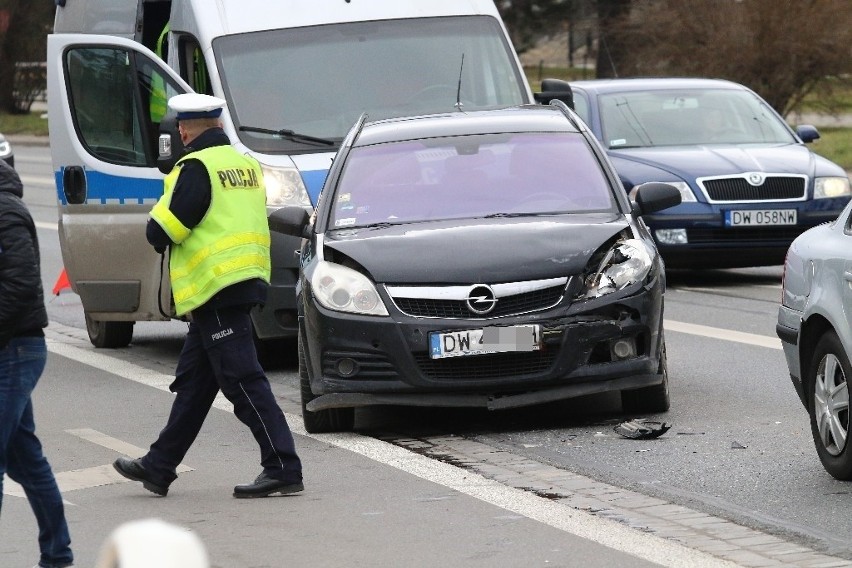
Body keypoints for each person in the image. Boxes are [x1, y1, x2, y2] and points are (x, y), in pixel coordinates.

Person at [112, 93, 303, 499]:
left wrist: (159, 213)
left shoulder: (195, 167)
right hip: (243, 280)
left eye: (181, 125)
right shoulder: (244, 164)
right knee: (195, 385)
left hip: (215, 288)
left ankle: (284, 467)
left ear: (187, 128)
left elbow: (161, 232)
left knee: (244, 381)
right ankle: (159, 466)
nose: (179, 130)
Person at [0, 160, 74, 568]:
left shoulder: (6, 211)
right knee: (26, 462)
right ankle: (58, 556)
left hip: (15, 350)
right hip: (9, 349)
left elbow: (22, 286)